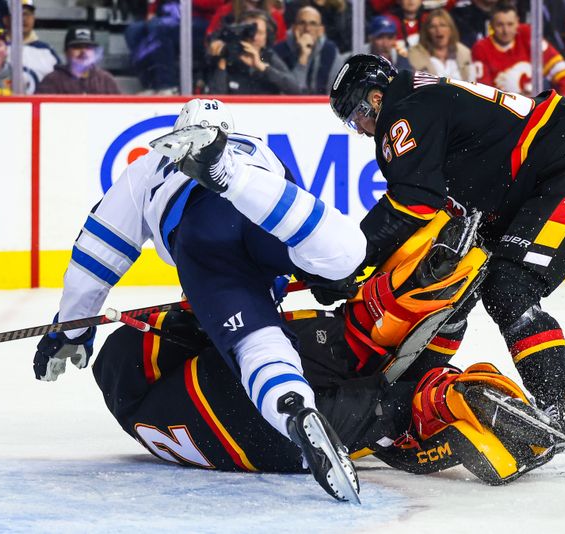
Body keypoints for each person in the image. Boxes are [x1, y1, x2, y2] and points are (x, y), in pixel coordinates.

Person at [33, 99, 366, 502]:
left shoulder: (148, 166)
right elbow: (290, 222)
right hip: (260, 197)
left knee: (256, 342)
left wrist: (73, 327)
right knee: (345, 254)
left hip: (203, 232)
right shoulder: (261, 147)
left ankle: (295, 410)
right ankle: (246, 187)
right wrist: (308, 277)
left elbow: (95, 258)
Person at [90, 221, 562, 486]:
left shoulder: (141, 411)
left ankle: (444, 402)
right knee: (350, 341)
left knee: (388, 403)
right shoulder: (137, 370)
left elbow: (141, 353)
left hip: (280, 450)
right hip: (233, 397)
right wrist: (196, 316)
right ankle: (436, 381)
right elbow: (185, 335)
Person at [328, 54, 565, 476]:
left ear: (376, 97)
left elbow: (413, 201)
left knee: (509, 288)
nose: (358, 127)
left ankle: (564, 414)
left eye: (357, 113)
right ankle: (407, 399)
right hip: (533, 180)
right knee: (454, 287)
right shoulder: (414, 97)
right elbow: (427, 208)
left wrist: (350, 259)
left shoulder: (402, 113)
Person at [472, 2, 565, 96]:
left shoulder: (528, 33)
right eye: (500, 25)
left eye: (510, 24)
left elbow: (559, 69)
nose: (506, 30)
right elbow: (484, 92)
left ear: (517, 21)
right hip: (502, 109)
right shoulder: (481, 48)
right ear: (491, 25)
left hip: (537, 104)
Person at [205, 9, 299, 94]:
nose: (254, 37)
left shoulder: (269, 58)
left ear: (267, 38)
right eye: (249, 32)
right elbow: (215, 101)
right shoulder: (228, 58)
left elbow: (296, 90)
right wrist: (223, 59)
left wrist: (261, 66)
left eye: (259, 33)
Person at [273, 6, 340, 94]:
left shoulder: (331, 51)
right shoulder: (279, 51)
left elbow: (334, 91)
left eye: (313, 24)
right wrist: (303, 57)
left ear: (321, 30)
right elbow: (292, 92)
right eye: (302, 23)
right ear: (293, 28)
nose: (307, 29)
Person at [36, 26, 120, 94]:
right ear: (66, 51)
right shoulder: (52, 81)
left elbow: (120, 111)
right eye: (77, 47)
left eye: (88, 47)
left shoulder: (105, 80)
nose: (83, 52)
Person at [5, 0, 60, 91]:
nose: (23, 18)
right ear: (6, 19)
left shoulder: (47, 51)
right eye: (18, 12)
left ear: (34, 18)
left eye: (27, 14)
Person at [407, 9, 474, 81]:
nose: (438, 30)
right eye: (433, 26)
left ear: (451, 29)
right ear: (427, 31)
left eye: (443, 25)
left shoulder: (464, 53)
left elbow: (473, 84)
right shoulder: (415, 55)